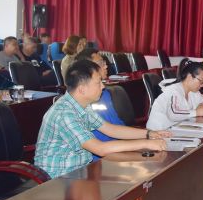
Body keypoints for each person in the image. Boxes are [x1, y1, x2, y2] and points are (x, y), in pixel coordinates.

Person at [34, 60, 169, 178]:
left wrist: (149, 134)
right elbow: (100, 149)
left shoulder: (82, 105)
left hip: (79, 172)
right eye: (98, 83)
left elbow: (110, 129)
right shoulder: (64, 114)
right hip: (56, 178)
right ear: (82, 89)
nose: (103, 86)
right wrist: (145, 144)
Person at [75, 48, 124, 157]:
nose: (106, 66)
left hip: (114, 147)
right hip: (100, 154)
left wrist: (148, 135)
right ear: (88, 68)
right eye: (101, 63)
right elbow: (100, 145)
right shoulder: (82, 102)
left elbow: (113, 127)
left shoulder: (104, 93)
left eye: (104, 62)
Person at [146, 60, 203, 130]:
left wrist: (201, 104)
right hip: (158, 131)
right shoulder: (174, 90)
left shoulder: (193, 92)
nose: (202, 85)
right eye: (201, 81)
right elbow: (173, 114)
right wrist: (196, 112)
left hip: (174, 129)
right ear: (189, 77)